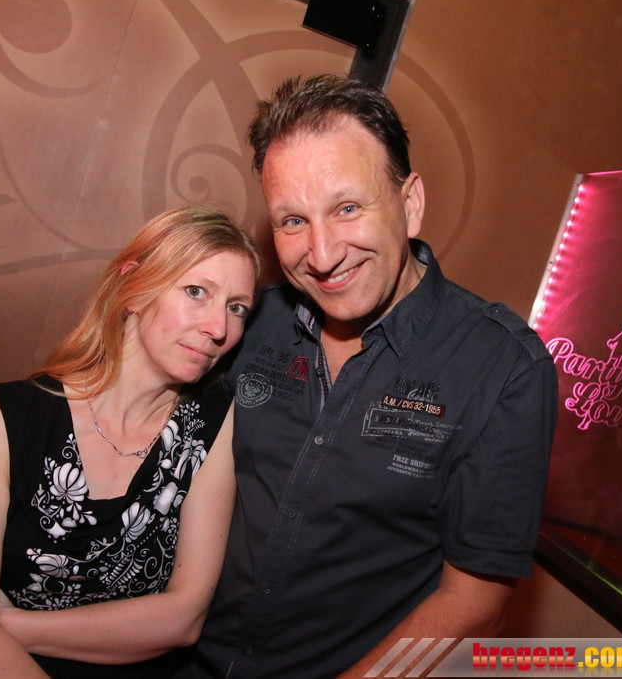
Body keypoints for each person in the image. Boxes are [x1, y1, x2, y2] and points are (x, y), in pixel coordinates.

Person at [192, 75, 558, 678]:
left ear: (410, 204)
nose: (323, 254)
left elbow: (475, 608)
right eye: (292, 221)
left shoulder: (502, 368)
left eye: (347, 209)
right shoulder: (250, 323)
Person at [0, 205, 262, 678]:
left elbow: (182, 619)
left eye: (236, 308)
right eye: (196, 292)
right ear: (134, 287)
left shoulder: (213, 424)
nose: (219, 328)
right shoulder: (4, 416)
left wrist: (3, 624)